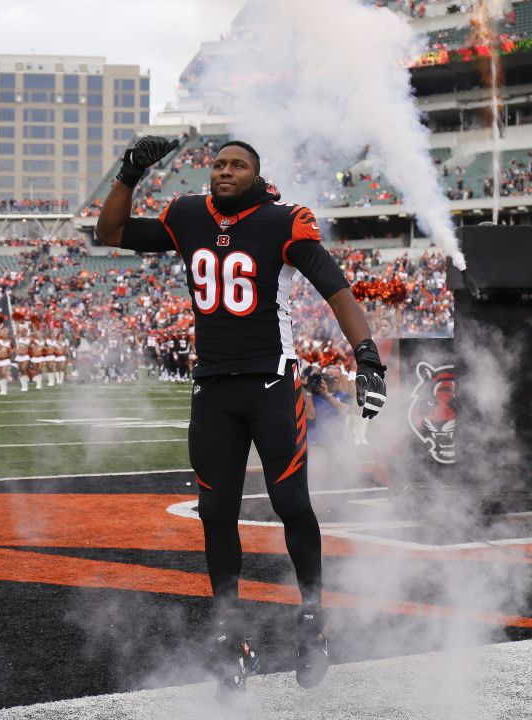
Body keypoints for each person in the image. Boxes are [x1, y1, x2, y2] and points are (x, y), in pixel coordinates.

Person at [95, 136, 387, 694]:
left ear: (257, 174)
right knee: (215, 511)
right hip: (213, 388)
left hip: (271, 383)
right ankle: (231, 637)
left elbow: (335, 288)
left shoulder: (282, 221)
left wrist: (367, 356)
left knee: (290, 503)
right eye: (220, 164)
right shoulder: (187, 215)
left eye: (238, 165)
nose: (225, 171)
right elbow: (111, 233)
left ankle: (312, 619)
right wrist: (129, 173)